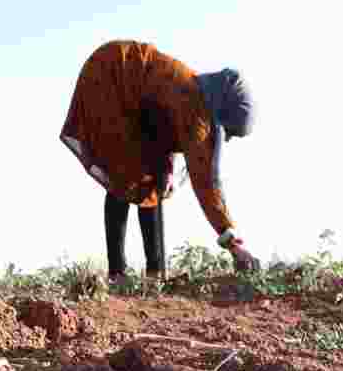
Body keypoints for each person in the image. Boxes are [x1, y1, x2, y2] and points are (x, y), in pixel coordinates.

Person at [59, 40, 259, 279]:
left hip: (127, 93)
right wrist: (232, 242)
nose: (226, 138)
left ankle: (154, 273)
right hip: (110, 76)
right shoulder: (196, 109)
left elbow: (162, 130)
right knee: (123, 178)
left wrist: (166, 171)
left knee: (151, 184)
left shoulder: (193, 93)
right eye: (229, 131)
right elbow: (206, 181)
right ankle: (118, 274)